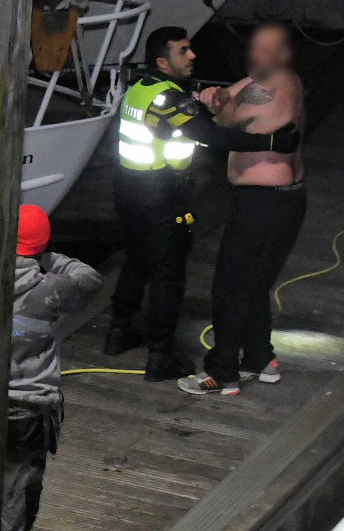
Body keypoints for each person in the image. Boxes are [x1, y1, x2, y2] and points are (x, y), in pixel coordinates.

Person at [106, 25, 300, 381]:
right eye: (183, 51)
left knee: (136, 260)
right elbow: (210, 135)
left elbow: (188, 118)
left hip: (128, 190)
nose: (193, 55)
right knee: (168, 276)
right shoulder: (170, 99)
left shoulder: (139, 89)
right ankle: (160, 357)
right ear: (163, 63)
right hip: (160, 195)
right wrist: (271, 142)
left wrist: (209, 100)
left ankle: (118, 332)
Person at [182, 22, 308, 397]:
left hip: (262, 203)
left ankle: (222, 373)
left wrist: (213, 101)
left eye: (266, 49)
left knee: (230, 288)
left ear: (285, 54)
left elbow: (222, 122)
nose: (255, 55)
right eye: (254, 47)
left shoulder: (268, 90)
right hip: (285, 200)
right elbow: (234, 95)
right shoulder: (284, 79)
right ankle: (260, 359)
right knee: (254, 285)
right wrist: (223, 95)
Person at [0, 206, 103, 531]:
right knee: (12, 514)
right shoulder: (49, 289)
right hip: (26, 414)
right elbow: (89, 277)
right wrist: (45, 256)